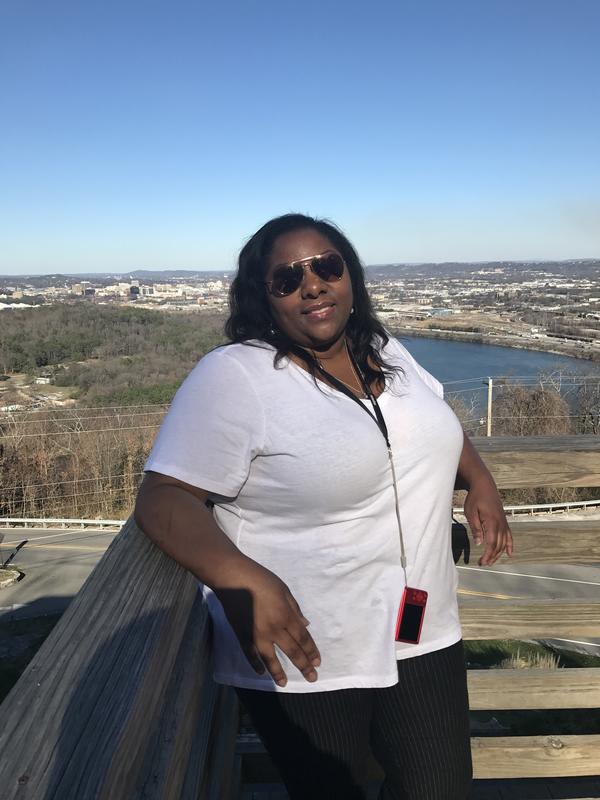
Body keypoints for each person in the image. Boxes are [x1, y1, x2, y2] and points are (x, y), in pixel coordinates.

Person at [134, 213, 513, 800]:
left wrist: (478, 478)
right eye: (287, 279)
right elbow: (163, 497)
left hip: (421, 625)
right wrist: (240, 577)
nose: (312, 285)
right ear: (263, 297)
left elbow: (432, 418)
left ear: (350, 276)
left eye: (326, 267)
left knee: (441, 788)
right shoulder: (235, 376)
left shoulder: (383, 349)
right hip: (311, 645)